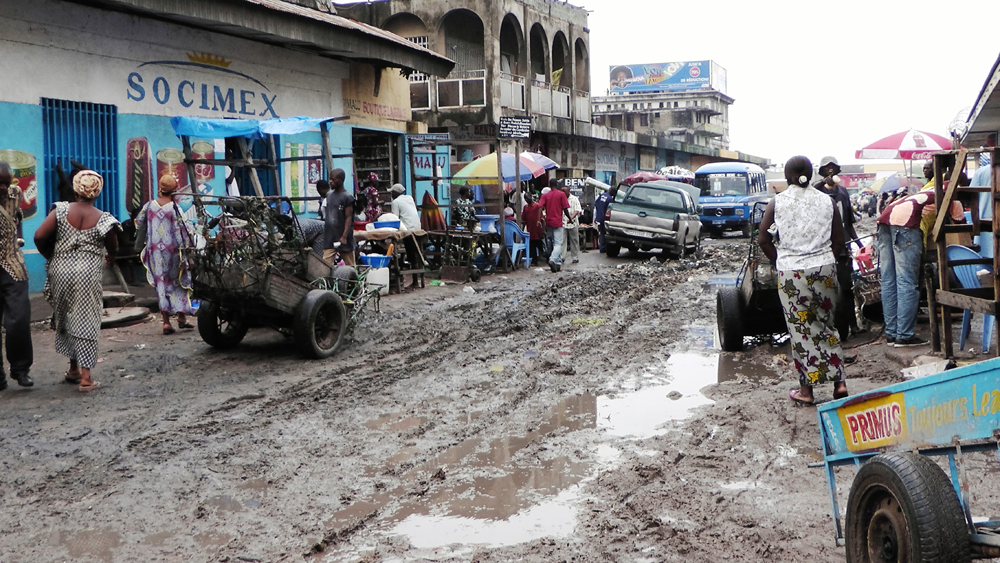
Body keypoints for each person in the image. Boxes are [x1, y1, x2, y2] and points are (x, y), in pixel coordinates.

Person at [758, 156, 849, 405]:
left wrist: (781, 262)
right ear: (811, 175)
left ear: (788, 177)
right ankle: (839, 383)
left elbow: (763, 240)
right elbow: (839, 241)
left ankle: (806, 391)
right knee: (827, 325)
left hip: (792, 274)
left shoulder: (777, 203)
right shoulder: (827, 201)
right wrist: (826, 258)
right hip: (824, 269)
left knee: (801, 330)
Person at [34, 170, 119, 392]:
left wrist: (51, 256)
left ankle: (72, 368)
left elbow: (39, 236)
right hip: (87, 275)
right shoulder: (103, 218)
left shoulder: (60, 210)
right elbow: (114, 246)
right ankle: (86, 377)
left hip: (59, 271)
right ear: (97, 191)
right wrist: (111, 255)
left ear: (75, 188)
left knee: (66, 315)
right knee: (87, 318)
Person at [877, 187, 965, 347]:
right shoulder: (953, 198)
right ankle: (904, 335)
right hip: (907, 223)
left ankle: (891, 333)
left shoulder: (931, 190)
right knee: (907, 281)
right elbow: (961, 227)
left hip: (885, 219)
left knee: (889, 280)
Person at [135, 175, 196, 335]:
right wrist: (188, 251)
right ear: (175, 190)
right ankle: (181, 317)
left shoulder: (149, 206)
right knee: (179, 282)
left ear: (160, 189)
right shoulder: (175, 208)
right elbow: (183, 231)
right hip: (174, 252)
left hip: (155, 252)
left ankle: (166, 322)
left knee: (161, 283)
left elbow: (139, 222)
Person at [815, 156, 864, 342]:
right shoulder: (817, 192)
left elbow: (849, 223)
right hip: (824, 250)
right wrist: (822, 183)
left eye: (833, 169)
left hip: (843, 249)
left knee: (846, 289)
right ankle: (827, 327)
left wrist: (859, 246)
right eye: (826, 169)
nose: (830, 172)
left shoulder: (843, 192)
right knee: (825, 290)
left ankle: (853, 325)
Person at [0, 162, 33, 390]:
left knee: (19, 319)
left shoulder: (16, 193)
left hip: (13, 263)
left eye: (6, 182)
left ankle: (21, 369)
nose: (3, 187)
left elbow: (18, 216)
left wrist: (19, 237)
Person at [323, 168, 356, 266]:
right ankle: (326, 282)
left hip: (343, 238)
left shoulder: (347, 197)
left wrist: (344, 237)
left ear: (341, 180)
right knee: (324, 266)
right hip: (330, 237)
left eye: (333, 179)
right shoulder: (329, 195)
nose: (330, 181)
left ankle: (353, 282)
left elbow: (348, 218)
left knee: (350, 266)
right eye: (330, 179)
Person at [539, 179, 571, 272]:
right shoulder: (561, 194)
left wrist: (538, 220)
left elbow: (539, 207)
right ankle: (552, 259)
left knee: (553, 242)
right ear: (556, 184)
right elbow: (565, 209)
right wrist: (570, 218)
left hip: (548, 222)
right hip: (557, 222)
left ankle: (558, 263)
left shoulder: (545, 195)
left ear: (549, 185)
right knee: (558, 243)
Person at [521, 194, 544, 265]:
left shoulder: (537, 206)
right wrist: (521, 231)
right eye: (525, 198)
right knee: (532, 246)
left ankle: (544, 257)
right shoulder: (525, 207)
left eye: (528, 197)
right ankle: (535, 260)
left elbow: (542, 218)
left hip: (538, 229)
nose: (527, 199)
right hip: (530, 229)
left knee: (540, 244)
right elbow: (523, 220)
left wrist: (543, 229)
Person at [594, 185, 619, 253]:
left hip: (598, 216)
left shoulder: (601, 195)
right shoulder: (610, 199)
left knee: (601, 232)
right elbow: (610, 209)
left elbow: (596, 205)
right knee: (604, 233)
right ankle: (603, 248)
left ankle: (602, 247)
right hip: (604, 218)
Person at [562, 184, 582, 264]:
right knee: (562, 241)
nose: (563, 192)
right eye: (562, 191)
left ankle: (575, 257)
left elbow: (577, 210)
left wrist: (571, 218)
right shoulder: (560, 198)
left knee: (574, 240)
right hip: (563, 222)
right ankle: (562, 257)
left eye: (564, 191)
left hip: (573, 223)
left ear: (568, 191)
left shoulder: (574, 199)